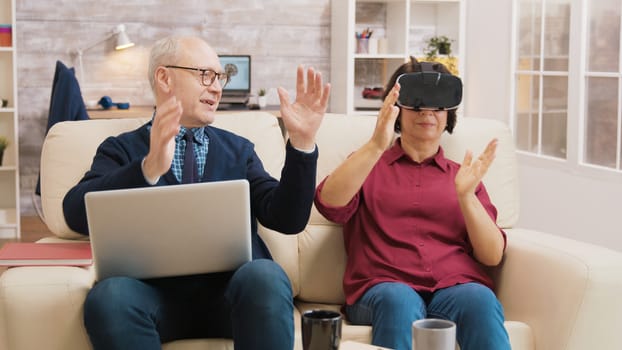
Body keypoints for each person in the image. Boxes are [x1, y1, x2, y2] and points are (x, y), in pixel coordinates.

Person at [63, 35, 330, 350]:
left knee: (266, 276)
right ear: (165, 77)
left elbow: (287, 219)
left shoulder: (238, 150)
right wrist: (147, 168)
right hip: (151, 299)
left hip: (233, 297)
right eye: (205, 75)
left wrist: (301, 144)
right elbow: (75, 214)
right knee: (109, 296)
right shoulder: (121, 149)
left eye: (220, 77)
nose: (217, 87)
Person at [314, 57, 511, 350]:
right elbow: (328, 203)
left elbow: (492, 256)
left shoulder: (464, 177)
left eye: (437, 104)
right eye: (417, 103)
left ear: (449, 114)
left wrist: (466, 197)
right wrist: (376, 145)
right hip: (383, 288)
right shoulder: (368, 163)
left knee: (479, 299)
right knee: (400, 300)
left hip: (454, 288)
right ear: (396, 108)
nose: (427, 112)